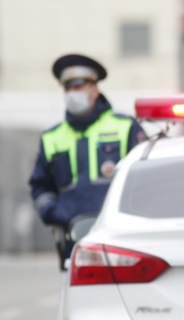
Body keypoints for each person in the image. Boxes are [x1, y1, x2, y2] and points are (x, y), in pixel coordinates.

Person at [29, 54, 145, 269]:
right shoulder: (51, 137)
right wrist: (53, 213)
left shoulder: (125, 127)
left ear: (95, 89)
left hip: (119, 237)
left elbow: (144, 179)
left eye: (79, 86)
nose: (73, 93)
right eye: (68, 88)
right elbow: (40, 185)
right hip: (72, 238)